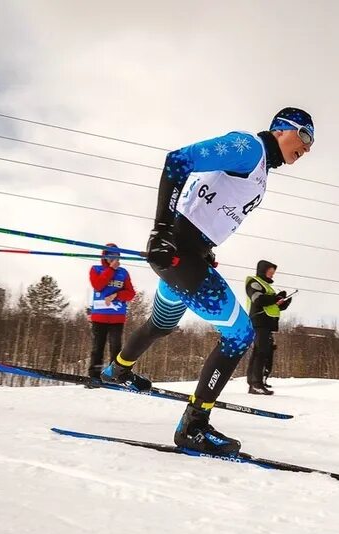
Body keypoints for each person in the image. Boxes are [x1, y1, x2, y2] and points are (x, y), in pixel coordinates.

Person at [100, 107, 315, 455]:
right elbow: (177, 162)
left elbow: (207, 207)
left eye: (311, 145)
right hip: (176, 252)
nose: (306, 149)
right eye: (304, 137)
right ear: (281, 129)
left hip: (189, 255)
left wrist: (203, 248)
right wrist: (161, 231)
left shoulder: (260, 170)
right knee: (240, 334)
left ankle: (117, 370)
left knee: (161, 324)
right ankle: (194, 425)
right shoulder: (249, 148)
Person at [87, 243, 136, 381]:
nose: (113, 258)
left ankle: (113, 376)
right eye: (110, 254)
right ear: (104, 256)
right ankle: (94, 377)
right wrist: (110, 270)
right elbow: (98, 285)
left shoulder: (123, 273)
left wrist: (116, 296)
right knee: (97, 348)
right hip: (99, 317)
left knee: (116, 349)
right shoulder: (95, 269)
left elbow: (131, 293)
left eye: (116, 255)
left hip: (117, 318)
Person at [245, 260, 292, 395]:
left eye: (273, 273)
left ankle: (254, 383)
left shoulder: (266, 286)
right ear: (263, 271)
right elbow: (258, 299)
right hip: (259, 322)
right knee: (260, 353)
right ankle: (255, 384)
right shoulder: (254, 282)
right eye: (270, 272)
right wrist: (275, 298)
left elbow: (271, 304)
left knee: (261, 352)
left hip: (266, 323)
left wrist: (282, 303)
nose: (272, 275)